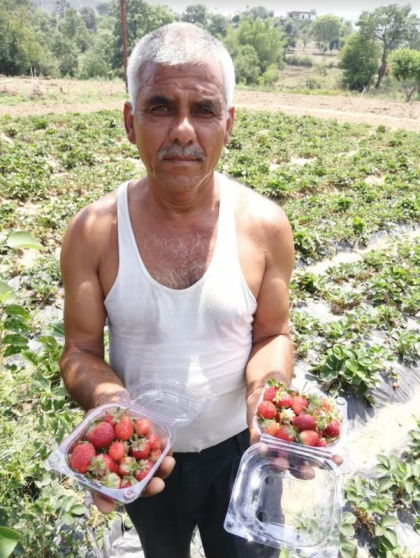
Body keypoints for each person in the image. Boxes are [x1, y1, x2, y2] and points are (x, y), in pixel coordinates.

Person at [59, 22, 295, 558]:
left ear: (228, 123)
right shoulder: (94, 231)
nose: (184, 130)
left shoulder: (264, 226)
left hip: (241, 451)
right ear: (130, 121)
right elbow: (80, 351)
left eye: (205, 109)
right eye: (161, 106)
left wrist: (267, 395)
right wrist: (110, 401)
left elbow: (273, 334)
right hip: (146, 455)